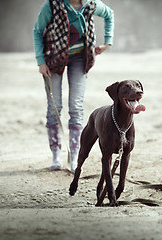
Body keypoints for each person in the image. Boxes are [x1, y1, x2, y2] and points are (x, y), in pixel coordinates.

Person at [33, 0, 114, 171]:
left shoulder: (91, 4)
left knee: (76, 107)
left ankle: (75, 157)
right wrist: (41, 62)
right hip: (53, 58)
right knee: (54, 107)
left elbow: (109, 14)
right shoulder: (52, 5)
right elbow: (37, 31)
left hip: (80, 58)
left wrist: (107, 42)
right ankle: (56, 156)